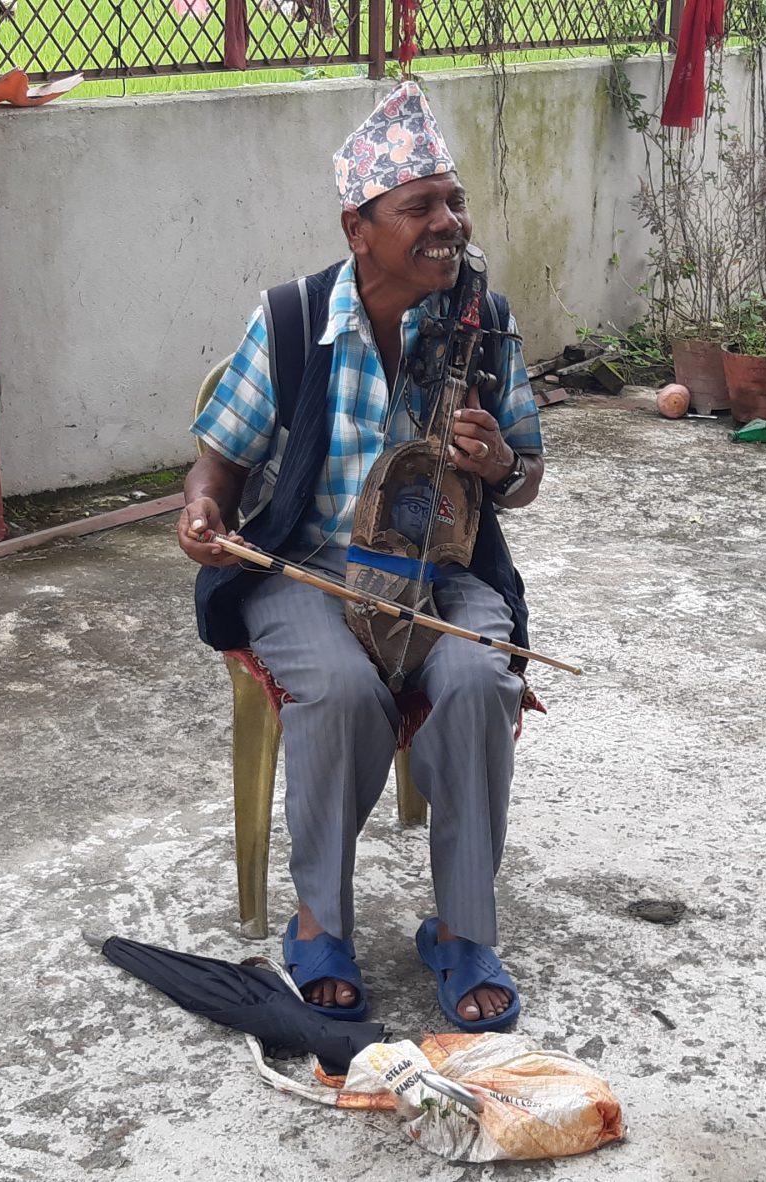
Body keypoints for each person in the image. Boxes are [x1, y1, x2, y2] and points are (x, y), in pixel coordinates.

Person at [177, 82, 546, 1032]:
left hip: (441, 572)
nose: (448, 224)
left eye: (453, 203)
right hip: (305, 565)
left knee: (480, 678)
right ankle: (318, 924)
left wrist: (497, 464)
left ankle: (462, 931)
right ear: (359, 228)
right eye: (419, 207)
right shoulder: (293, 319)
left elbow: (526, 478)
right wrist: (204, 509)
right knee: (340, 692)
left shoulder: (483, 323)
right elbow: (221, 457)